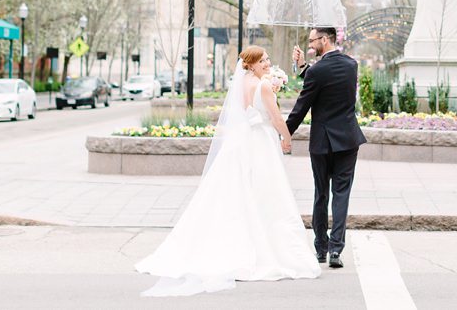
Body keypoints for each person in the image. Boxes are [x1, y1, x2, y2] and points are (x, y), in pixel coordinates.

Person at [134, 46, 320, 296]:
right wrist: (286, 138)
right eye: (263, 60)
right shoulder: (263, 85)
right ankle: (266, 248)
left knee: (240, 192)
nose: (268, 63)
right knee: (265, 192)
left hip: (243, 141)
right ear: (251, 63)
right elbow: (276, 118)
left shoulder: (243, 82)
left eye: (268, 59)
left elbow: (247, 110)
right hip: (260, 142)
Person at [287, 27, 366, 269]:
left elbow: (302, 105)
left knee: (321, 194)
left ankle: (320, 249)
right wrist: (304, 68)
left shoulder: (317, 70)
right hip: (348, 140)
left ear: (324, 39)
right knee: (341, 195)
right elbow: (328, 81)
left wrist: (284, 132)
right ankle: (335, 251)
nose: (310, 46)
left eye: (312, 41)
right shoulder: (351, 65)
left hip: (322, 142)